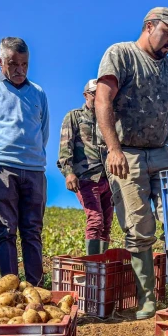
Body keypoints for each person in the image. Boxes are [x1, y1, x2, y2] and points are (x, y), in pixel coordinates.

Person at [96, 7, 168, 319]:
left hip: (161, 152)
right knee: (139, 226)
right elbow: (103, 100)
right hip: (126, 153)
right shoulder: (121, 54)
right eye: (166, 32)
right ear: (149, 26)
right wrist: (113, 149)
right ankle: (148, 300)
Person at [0, 37, 49, 287]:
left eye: (25, 64)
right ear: (0, 61)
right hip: (1, 169)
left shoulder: (38, 93)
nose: (20, 70)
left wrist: (31, 158)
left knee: (33, 231)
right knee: (5, 230)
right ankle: (10, 289)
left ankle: (35, 288)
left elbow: (43, 133)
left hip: (34, 171)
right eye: (13, 64)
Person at [58, 79, 112, 255]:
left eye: (101, 93)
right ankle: (93, 266)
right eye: (94, 93)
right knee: (95, 220)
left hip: (108, 178)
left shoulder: (107, 117)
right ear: (86, 95)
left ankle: (103, 265)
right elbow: (65, 147)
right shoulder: (74, 116)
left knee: (107, 224)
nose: (98, 96)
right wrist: (68, 173)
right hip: (86, 177)